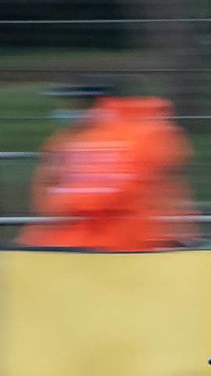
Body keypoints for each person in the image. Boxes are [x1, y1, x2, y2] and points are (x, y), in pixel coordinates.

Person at [18, 80, 197, 251]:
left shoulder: (136, 137)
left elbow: (65, 199)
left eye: (75, 103)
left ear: (99, 103)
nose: (67, 110)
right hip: (108, 247)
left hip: (110, 250)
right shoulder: (68, 138)